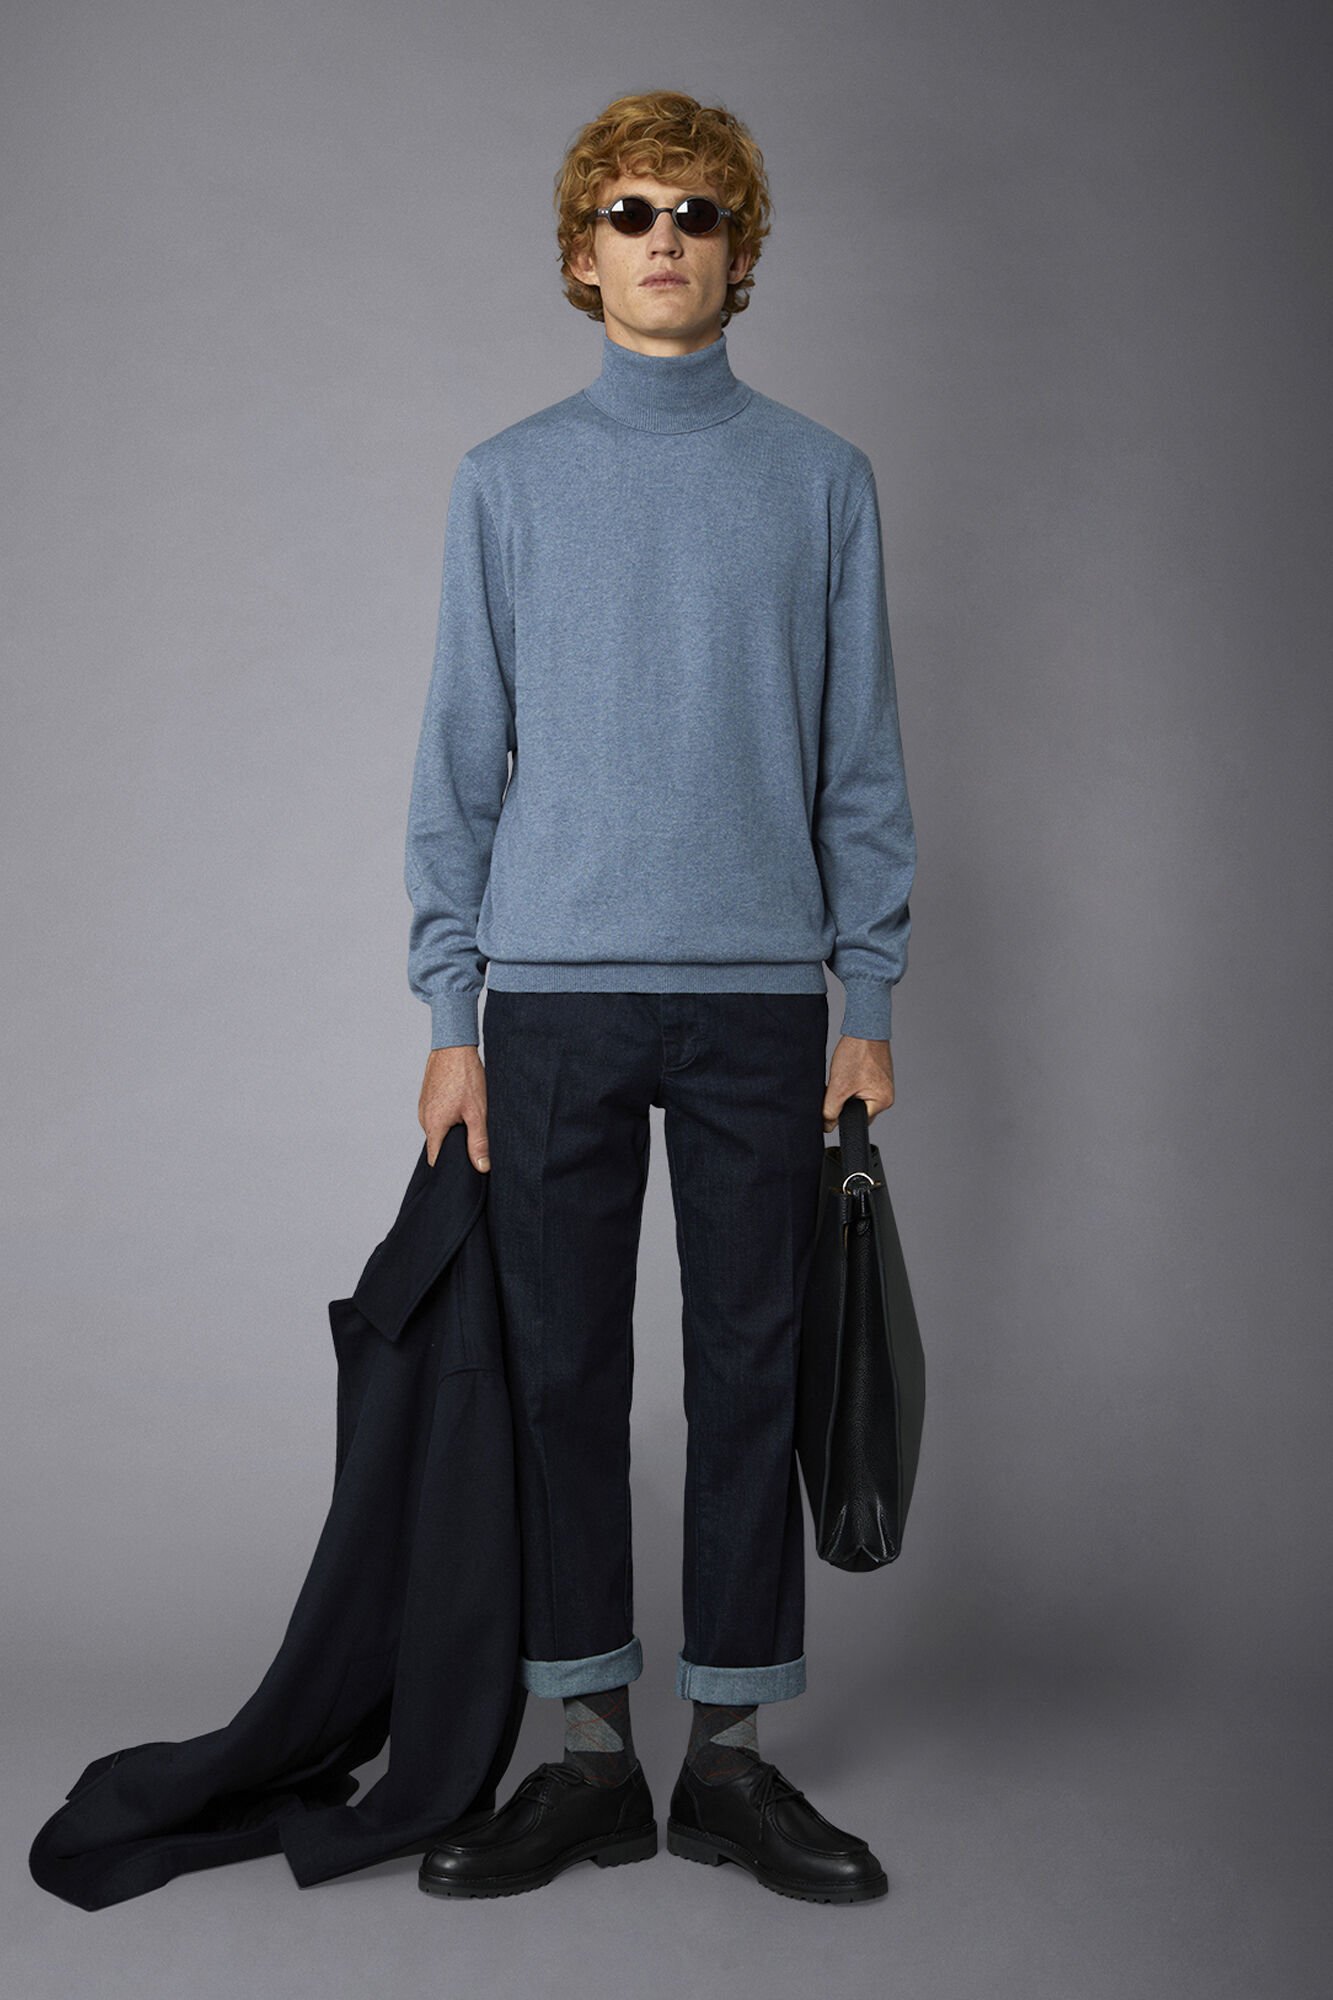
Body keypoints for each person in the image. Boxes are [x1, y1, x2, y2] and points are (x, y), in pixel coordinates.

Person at [403, 90, 915, 1904]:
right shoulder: (505, 481)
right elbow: (457, 766)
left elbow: (860, 762)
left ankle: (733, 1764)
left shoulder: (821, 480)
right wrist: (449, 1016)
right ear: (581, 251)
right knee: (559, 1373)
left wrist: (865, 990)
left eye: (698, 214)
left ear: (740, 253)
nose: (664, 240)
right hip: (551, 999)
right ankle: (584, 1761)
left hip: (761, 1002)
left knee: (753, 1374)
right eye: (631, 212)